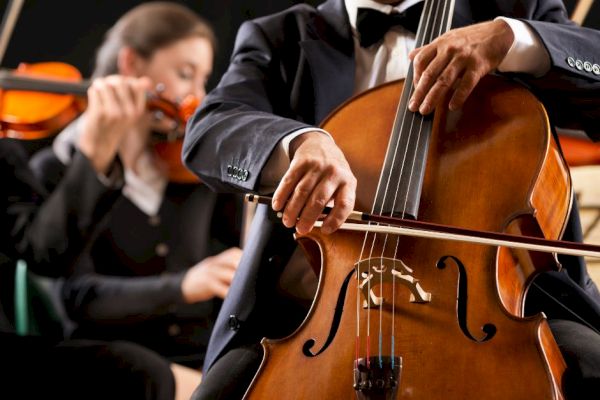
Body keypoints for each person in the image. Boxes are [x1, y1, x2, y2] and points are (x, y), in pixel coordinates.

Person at [182, 0, 600, 399]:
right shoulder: (280, 36)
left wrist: (513, 39)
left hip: (510, 306)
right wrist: (295, 143)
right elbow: (208, 130)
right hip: (311, 315)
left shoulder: (515, 10)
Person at [29, 1, 243, 378]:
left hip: (206, 357)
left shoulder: (191, 163)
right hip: (119, 367)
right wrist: (184, 286)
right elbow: (78, 299)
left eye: (202, 79)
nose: (199, 94)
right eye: (185, 74)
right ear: (131, 64)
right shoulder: (55, 168)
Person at [0, 116, 175, 397]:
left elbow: (45, 254)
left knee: (139, 372)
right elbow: (78, 296)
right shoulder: (50, 167)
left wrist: (95, 156)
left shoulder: (4, 153)